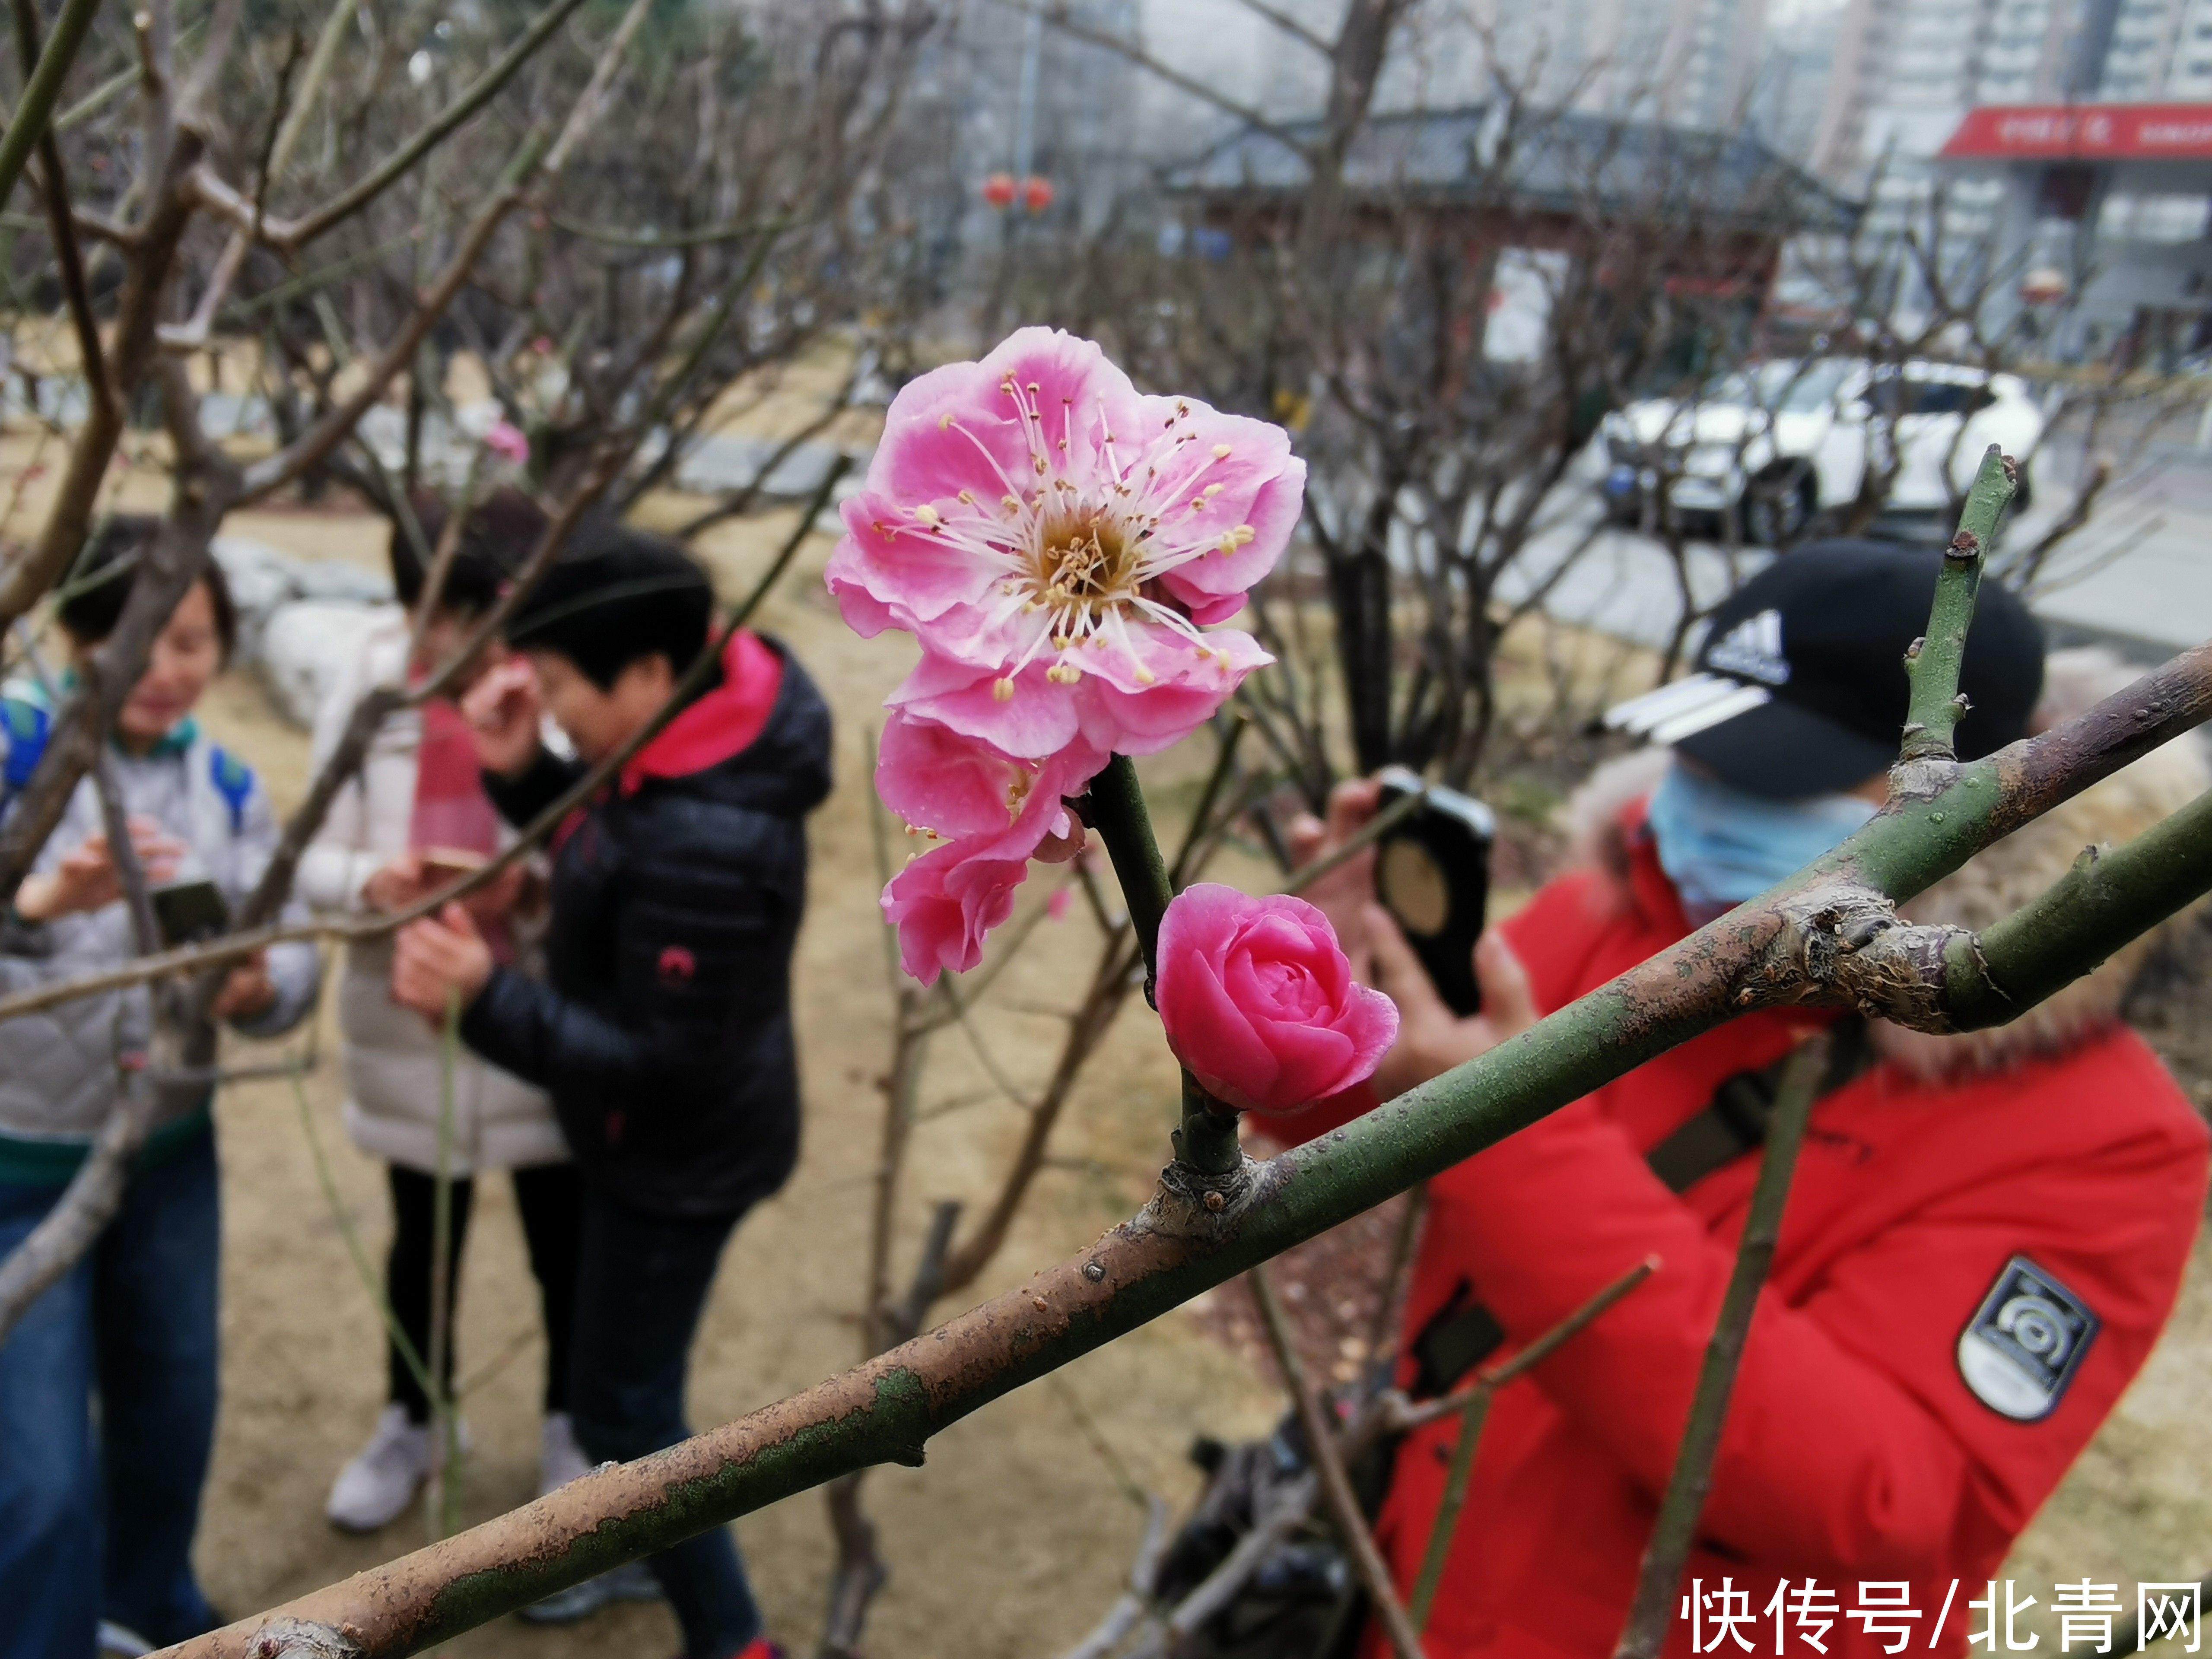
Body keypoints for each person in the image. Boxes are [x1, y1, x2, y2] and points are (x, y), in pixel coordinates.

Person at [1266, 543, 2211, 1659]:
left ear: (1971, 799)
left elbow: (1885, 1506)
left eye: (1775, 778)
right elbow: (1378, 1122)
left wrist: (1509, 1144)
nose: (1706, 805)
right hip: (1423, 1578)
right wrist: (1321, 1014)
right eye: (1699, 757)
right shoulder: (1621, 909)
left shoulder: (2108, 1144)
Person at [388, 525, 830, 1659]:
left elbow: (661, 1059)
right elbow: (610, 827)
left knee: (629, 1412)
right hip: (659, 1137)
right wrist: (521, 772)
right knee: (617, 1392)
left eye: (564, 690)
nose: (556, 713)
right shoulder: (689, 736)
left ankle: (731, 1640)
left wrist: (482, 997)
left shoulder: (716, 836)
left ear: (643, 673)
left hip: (675, 1156)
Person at [0, 520, 322, 1658]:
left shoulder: (225, 788)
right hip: (20, 1172)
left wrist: (258, 985)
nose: (169, 668)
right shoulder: (14, 754)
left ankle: (150, 1618)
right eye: (143, 638)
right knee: (36, 1477)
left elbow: (290, 953)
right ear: (85, 637)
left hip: (171, 1159)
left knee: (171, 1416)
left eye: (197, 642)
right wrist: (36, 914)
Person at [299, 492, 599, 1540]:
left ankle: (573, 1425)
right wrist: (371, 880)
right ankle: (414, 1419)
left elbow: (615, 860)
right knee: (420, 1236)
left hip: (537, 1008)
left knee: (563, 1237)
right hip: (412, 1006)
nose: (446, 642)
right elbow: (308, 850)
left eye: (473, 612)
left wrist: (535, 895)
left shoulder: (565, 680)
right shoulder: (370, 680)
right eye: (429, 609)